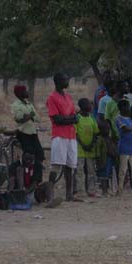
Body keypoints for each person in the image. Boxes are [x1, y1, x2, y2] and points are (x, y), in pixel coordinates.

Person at [46, 73, 78, 205]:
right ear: (57, 81)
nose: (67, 81)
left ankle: (69, 194)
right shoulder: (52, 98)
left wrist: (68, 119)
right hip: (59, 135)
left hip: (71, 135)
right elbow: (57, 119)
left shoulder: (68, 97)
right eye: (65, 79)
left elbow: (73, 117)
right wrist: (70, 119)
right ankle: (50, 196)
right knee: (56, 165)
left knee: (70, 166)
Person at [11, 85, 44, 164]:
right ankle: (25, 172)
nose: (27, 92)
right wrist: (30, 115)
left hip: (32, 132)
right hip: (23, 133)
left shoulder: (28, 103)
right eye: (25, 91)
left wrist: (28, 116)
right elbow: (20, 119)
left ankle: (35, 172)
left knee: (40, 154)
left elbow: (37, 118)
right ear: (19, 93)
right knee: (28, 155)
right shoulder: (16, 105)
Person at [75, 98, 100, 197]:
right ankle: (81, 190)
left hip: (90, 149)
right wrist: (84, 145)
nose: (90, 106)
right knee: (80, 171)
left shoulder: (92, 118)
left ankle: (91, 190)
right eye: (87, 104)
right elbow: (76, 134)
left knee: (91, 171)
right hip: (80, 149)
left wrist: (91, 144)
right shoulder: (77, 118)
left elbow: (95, 133)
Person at [94, 120, 117, 196]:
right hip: (103, 160)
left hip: (110, 159)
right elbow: (97, 151)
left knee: (108, 175)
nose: (107, 131)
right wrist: (98, 160)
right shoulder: (100, 139)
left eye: (108, 129)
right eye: (106, 129)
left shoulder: (109, 138)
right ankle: (104, 191)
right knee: (103, 176)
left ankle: (107, 190)